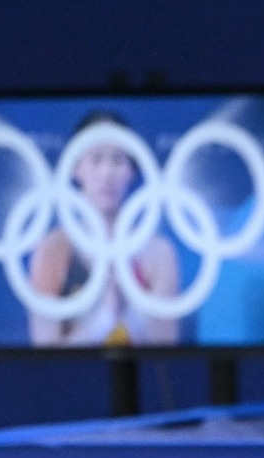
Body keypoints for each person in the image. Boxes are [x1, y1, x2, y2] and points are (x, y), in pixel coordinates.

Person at [28, 111, 180, 347]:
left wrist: (130, 315)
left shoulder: (159, 252)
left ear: (132, 171)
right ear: (75, 168)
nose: (107, 173)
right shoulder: (52, 249)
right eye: (96, 159)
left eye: (118, 160)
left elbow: (166, 345)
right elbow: (45, 350)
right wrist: (102, 320)